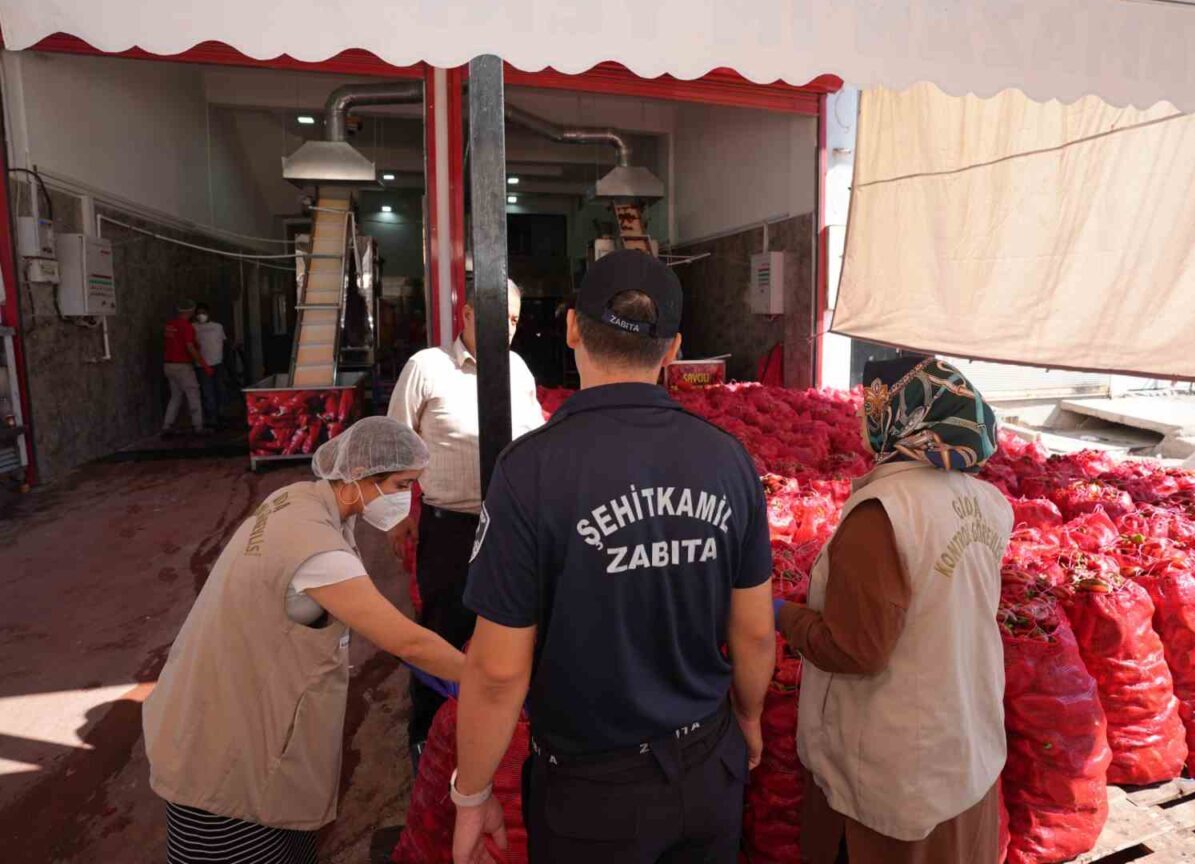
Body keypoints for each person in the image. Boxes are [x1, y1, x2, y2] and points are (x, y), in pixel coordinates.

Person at [450, 250, 776, 864]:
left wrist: (472, 793)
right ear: (674, 349)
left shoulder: (529, 471)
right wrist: (750, 717)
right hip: (708, 769)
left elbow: (497, 671)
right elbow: (756, 632)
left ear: (573, 328)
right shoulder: (728, 461)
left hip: (592, 797)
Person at [143, 417, 465, 864]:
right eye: (400, 484)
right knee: (239, 842)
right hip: (231, 745)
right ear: (358, 475)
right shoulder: (317, 552)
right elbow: (408, 643)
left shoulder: (294, 499)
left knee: (282, 840)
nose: (406, 497)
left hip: (213, 702)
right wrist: (491, 679)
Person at [776, 356, 1012, 864]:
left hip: (897, 755)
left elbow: (855, 650)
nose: (863, 420)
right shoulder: (988, 501)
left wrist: (780, 614)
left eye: (872, 408)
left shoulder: (883, 511)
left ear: (901, 417)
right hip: (963, 733)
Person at [386, 277, 545, 765]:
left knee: (509, 631)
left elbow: (536, 440)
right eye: (500, 317)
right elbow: (394, 442)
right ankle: (428, 735)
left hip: (514, 528)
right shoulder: (427, 368)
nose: (508, 329)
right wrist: (395, 514)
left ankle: (502, 735)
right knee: (443, 630)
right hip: (451, 528)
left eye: (515, 319)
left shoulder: (518, 371)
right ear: (469, 314)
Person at [162, 299, 212, 436]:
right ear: (191, 311)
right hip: (182, 367)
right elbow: (190, 348)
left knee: (175, 396)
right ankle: (198, 427)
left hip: (168, 366)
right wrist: (204, 365)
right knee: (193, 394)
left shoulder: (169, 325)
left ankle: (167, 425)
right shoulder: (187, 327)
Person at [192, 302, 228, 429]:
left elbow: (224, 343)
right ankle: (212, 418)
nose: (201, 316)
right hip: (202, 365)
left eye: (203, 313)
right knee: (207, 391)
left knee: (220, 389)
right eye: (198, 313)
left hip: (218, 363)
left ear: (208, 314)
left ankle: (221, 414)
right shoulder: (193, 327)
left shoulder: (217, 327)